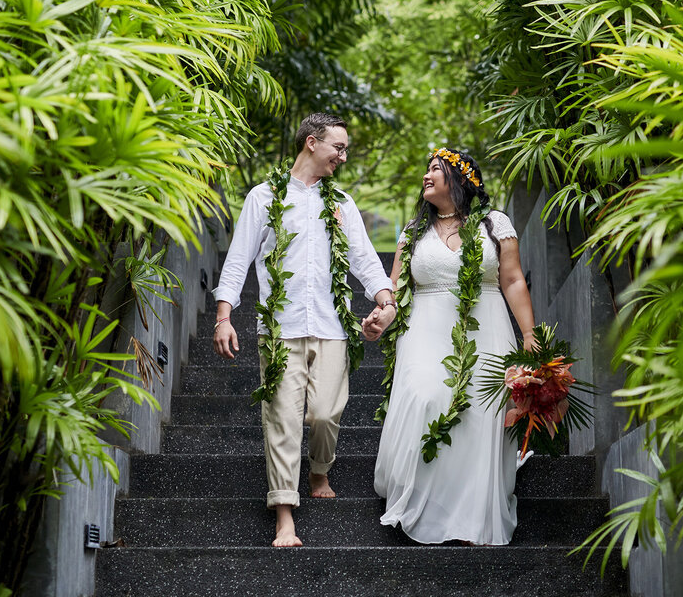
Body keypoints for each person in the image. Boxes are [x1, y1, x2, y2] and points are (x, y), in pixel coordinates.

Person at [213, 113, 396, 548]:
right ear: (312, 143)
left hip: (332, 325)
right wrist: (224, 316)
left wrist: (385, 299)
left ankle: (319, 468)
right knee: (281, 419)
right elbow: (239, 258)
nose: (343, 156)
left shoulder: (343, 203)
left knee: (326, 413)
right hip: (280, 328)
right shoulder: (263, 197)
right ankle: (284, 517)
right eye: (339, 147)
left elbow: (365, 260)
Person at [364, 148, 537, 545]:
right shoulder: (412, 232)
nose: (426, 176)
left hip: (487, 325)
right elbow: (395, 291)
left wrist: (528, 334)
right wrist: (381, 320)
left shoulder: (495, 224)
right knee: (424, 396)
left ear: (459, 181)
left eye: (436, 170)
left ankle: (472, 515)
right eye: (426, 169)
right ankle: (424, 502)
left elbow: (512, 280)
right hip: (425, 329)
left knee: (480, 414)